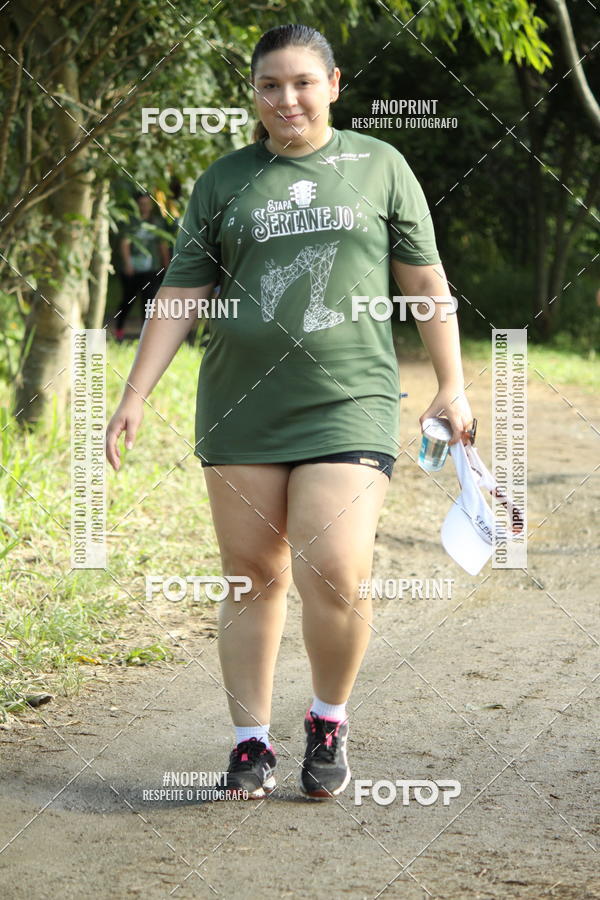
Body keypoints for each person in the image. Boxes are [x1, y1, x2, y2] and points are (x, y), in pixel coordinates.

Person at [106, 23, 473, 801]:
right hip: (242, 404)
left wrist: (454, 383)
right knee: (251, 574)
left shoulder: (381, 167)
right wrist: (134, 393)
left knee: (335, 571)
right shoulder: (224, 180)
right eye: (270, 85)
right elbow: (182, 295)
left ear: (334, 84)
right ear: (254, 94)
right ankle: (249, 742)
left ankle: (328, 719)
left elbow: (424, 281)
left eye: (303, 82)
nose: (287, 99)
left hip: (350, 399)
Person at [114, 192, 170, 341]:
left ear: (151, 205)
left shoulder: (157, 222)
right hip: (132, 270)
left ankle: (146, 336)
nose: (144, 207)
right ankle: (119, 331)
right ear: (136, 205)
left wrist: (167, 265)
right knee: (127, 301)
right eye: (141, 204)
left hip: (152, 270)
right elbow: (124, 243)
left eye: (147, 204)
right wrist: (127, 264)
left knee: (150, 302)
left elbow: (162, 244)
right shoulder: (130, 221)